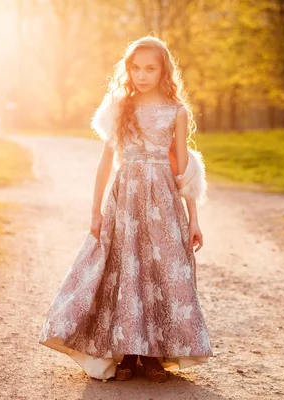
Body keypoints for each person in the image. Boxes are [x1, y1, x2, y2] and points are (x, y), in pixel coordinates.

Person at [39, 35, 212, 383]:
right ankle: (127, 356)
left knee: (159, 272)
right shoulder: (120, 107)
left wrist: (194, 219)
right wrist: (95, 210)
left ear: (164, 70)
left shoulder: (176, 111)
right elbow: (106, 163)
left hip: (163, 201)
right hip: (126, 200)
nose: (142, 75)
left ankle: (153, 356)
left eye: (150, 68)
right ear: (127, 69)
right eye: (136, 67)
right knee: (126, 271)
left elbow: (182, 167)